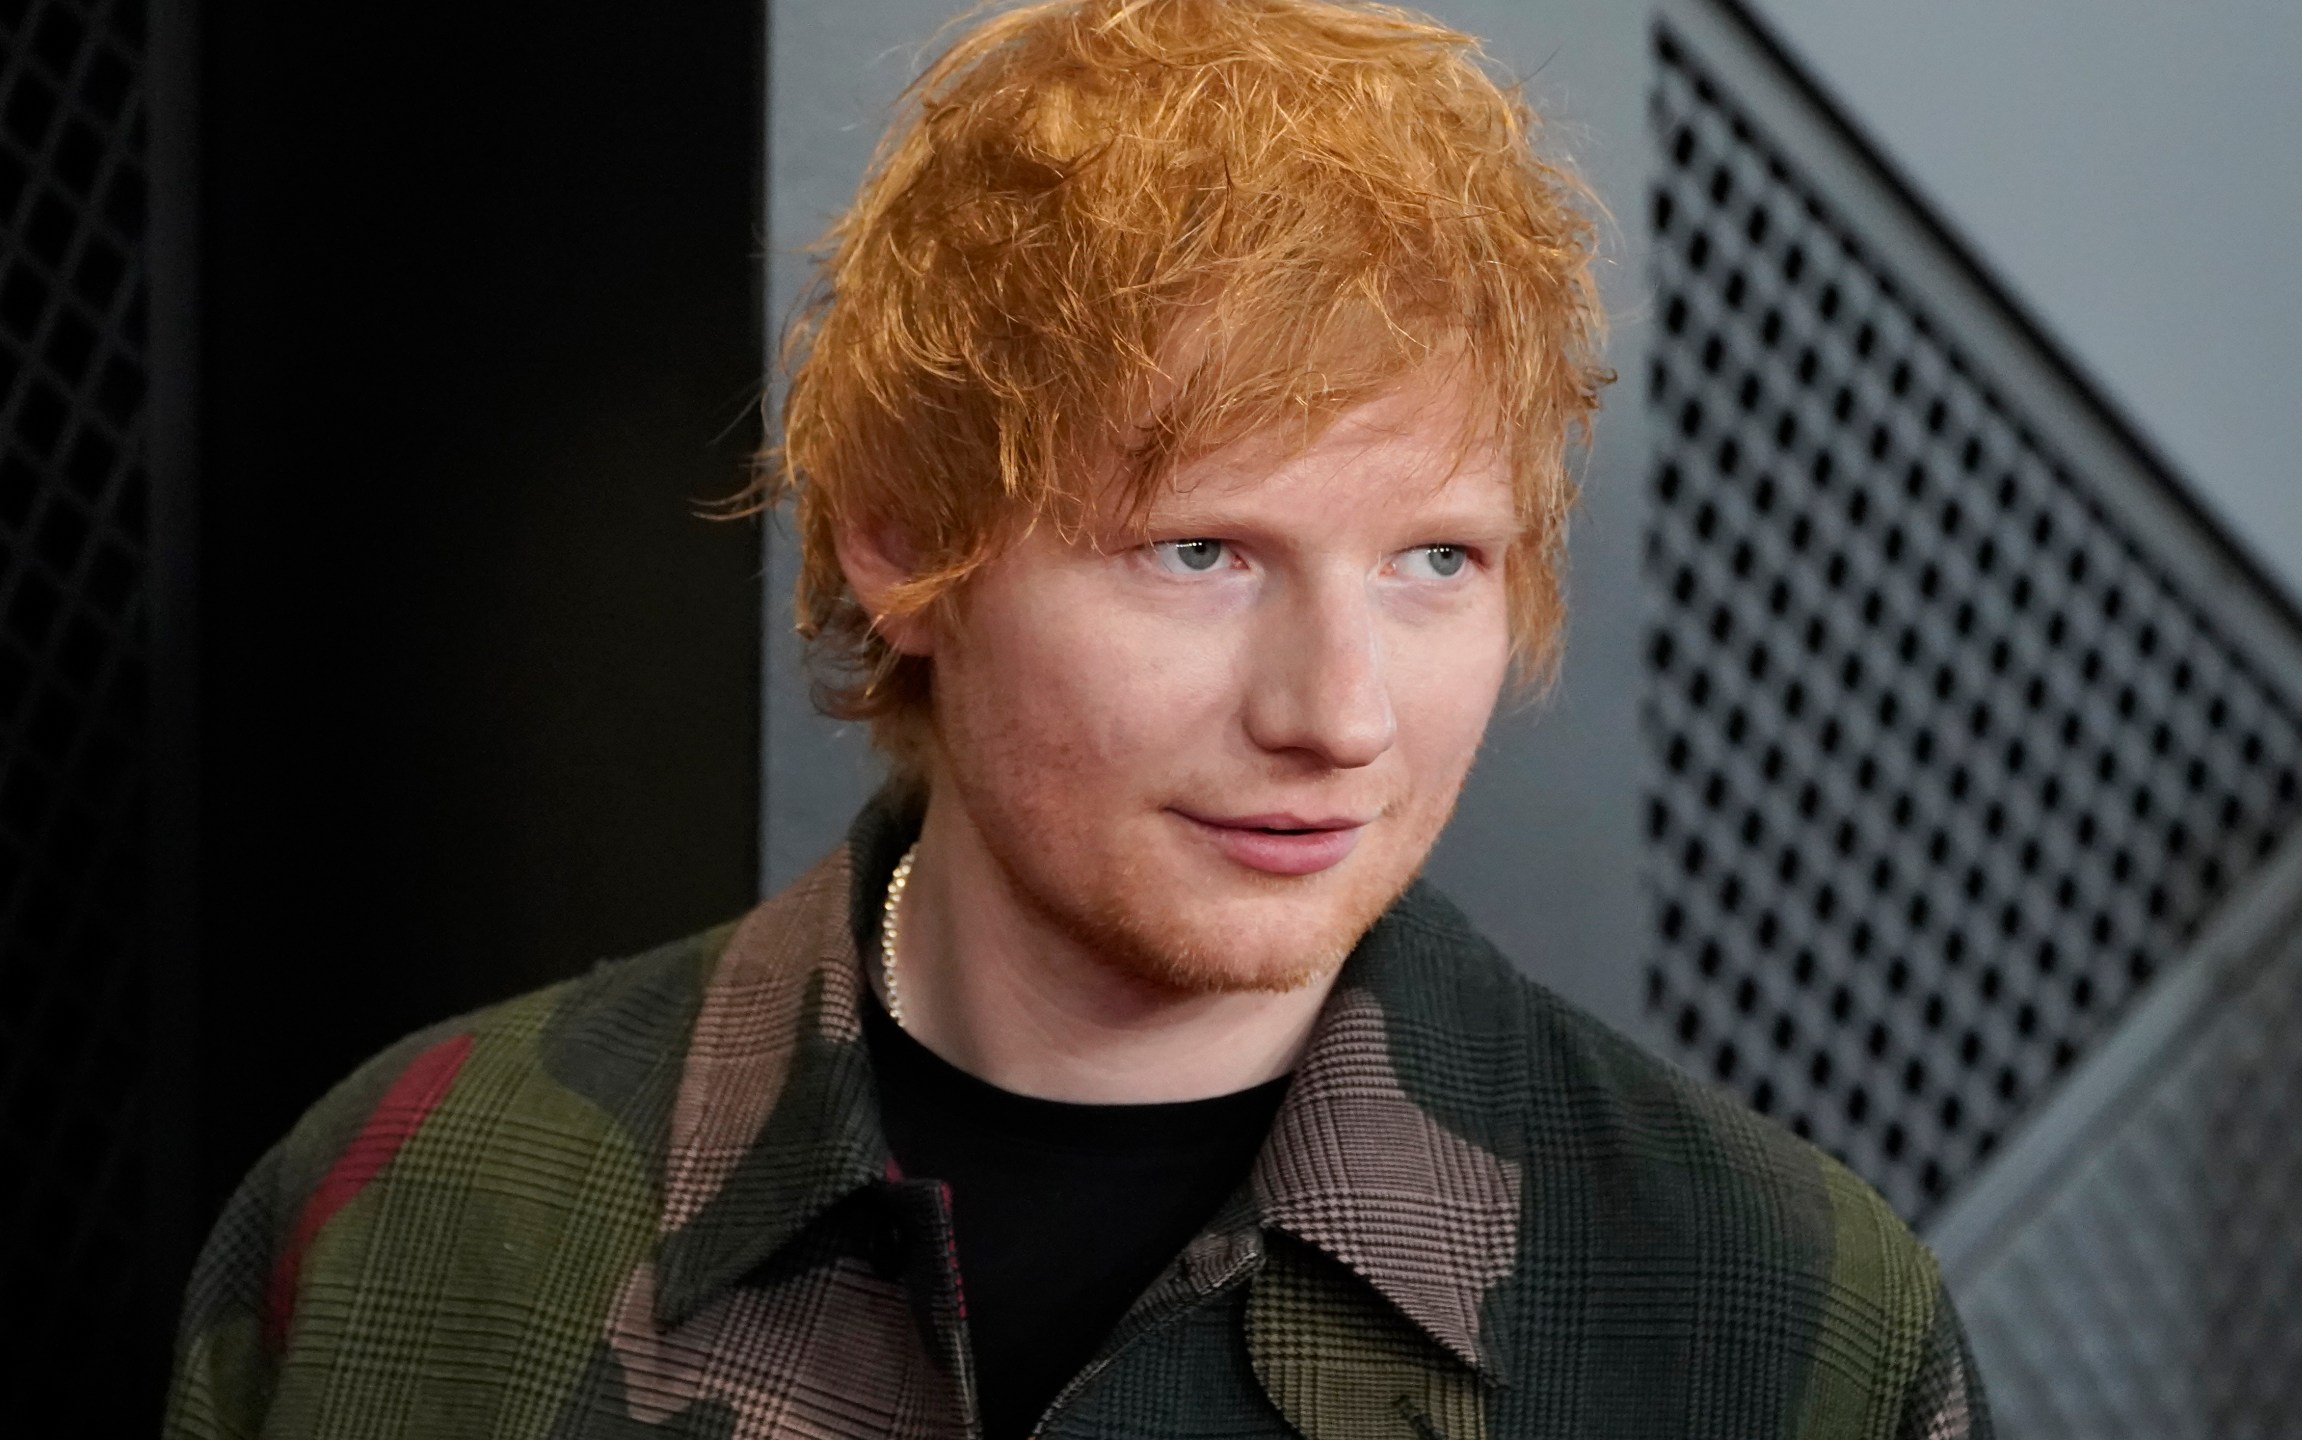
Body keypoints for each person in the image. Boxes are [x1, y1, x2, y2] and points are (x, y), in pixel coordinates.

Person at [165, 1, 1992, 1436]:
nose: (1339, 717)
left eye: (1436, 562)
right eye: (1201, 551)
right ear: (901, 538)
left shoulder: (1769, 1318)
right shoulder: (411, 1220)